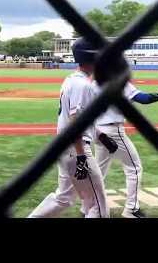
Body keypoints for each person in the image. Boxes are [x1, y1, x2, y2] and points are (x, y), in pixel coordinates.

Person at [28, 37, 109, 218]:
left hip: (65, 148)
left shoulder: (71, 80)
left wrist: (100, 135)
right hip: (76, 150)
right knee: (98, 205)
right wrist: (81, 157)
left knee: (63, 198)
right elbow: (75, 121)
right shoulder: (82, 85)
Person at [92, 81, 158, 218]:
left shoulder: (94, 83)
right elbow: (146, 99)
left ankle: (91, 208)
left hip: (97, 131)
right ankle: (131, 209)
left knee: (99, 172)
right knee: (134, 168)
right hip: (114, 131)